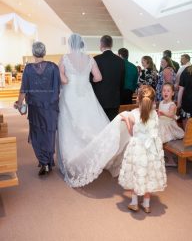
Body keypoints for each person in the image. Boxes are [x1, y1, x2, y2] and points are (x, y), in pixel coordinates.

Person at [57, 33, 111, 186]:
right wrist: (87, 81)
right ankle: (91, 157)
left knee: (69, 126)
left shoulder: (65, 58)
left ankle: (73, 162)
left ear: (70, 44)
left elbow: (62, 78)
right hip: (86, 93)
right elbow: (98, 77)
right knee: (89, 121)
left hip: (69, 95)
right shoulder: (90, 58)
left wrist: (68, 80)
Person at [118, 85, 167, 213]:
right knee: (148, 174)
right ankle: (146, 204)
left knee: (136, 172)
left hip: (137, 149)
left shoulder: (133, 114)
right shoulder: (155, 115)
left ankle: (134, 203)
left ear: (138, 100)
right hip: (151, 150)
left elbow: (131, 133)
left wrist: (126, 120)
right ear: (153, 101)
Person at [14, 42, 60, 175]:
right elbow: (59, 87)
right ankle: (48, 160)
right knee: (49, 133)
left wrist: (19, 103)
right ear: (44, 52)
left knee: (36, 134)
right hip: (50, 106)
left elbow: (24, 89)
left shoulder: (28, 69)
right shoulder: (53, 67)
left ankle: (44, 161)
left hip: (35, 107)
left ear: (33, 53)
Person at [92, 35, 125, 121]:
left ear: (101, 45)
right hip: (115, 100)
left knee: (101, 126)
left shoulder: (96, 59)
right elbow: (122, 82)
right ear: (111, 45)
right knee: (113, 125)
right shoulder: (120, 61)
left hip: (100, 99)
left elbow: (92, 81)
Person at [158, 83, 184, 166]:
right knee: (160, 141)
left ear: (172, 93)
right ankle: (167, 157)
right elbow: (160, 113)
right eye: (164, 90)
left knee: (164, 141)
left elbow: (171, 114)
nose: (165, 92)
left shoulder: (172, 105)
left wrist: (163, 113)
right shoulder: (161, 102)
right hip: (161, 124)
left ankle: (171, 160)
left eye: (168, 91)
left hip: (169, 126)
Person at [177, 60, 192, 129]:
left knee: (187, 131)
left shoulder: (186, 70)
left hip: (187, 104)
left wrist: (178, 105)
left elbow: (181, 89)